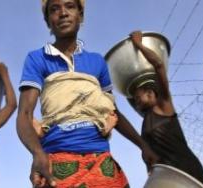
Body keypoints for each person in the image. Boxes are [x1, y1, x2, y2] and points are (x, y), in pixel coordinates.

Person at [16, 0, 159, 187]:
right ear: (48, 21)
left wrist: (143, 146)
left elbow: (112, 111)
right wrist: (37, 153)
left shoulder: (96, 62)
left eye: (70, 6)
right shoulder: (37, 58)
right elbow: (24, 114)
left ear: (80, 15)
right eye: (54, 9)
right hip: (57, 160)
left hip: (101, 161)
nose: (63, 13)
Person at [129, 31, 203, 187]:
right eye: (135, 101)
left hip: (185, 170)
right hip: (165, 174)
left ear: (151, 93)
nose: (137, 103)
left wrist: (138, 44)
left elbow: (158, 66)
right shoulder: (146, 122)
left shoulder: (164, 106)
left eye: (139, 97)